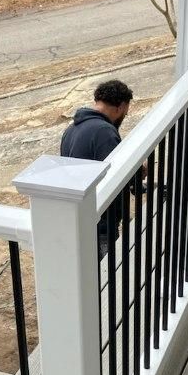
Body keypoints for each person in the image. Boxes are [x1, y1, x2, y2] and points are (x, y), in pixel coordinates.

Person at [60, 79, 133, 259]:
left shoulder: (71, 129)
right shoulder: (104, 131)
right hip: (101, 223)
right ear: (120, 107)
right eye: (126, 112)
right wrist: (139, 171)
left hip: (80, 218)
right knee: (106, 272)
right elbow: (116, 174)